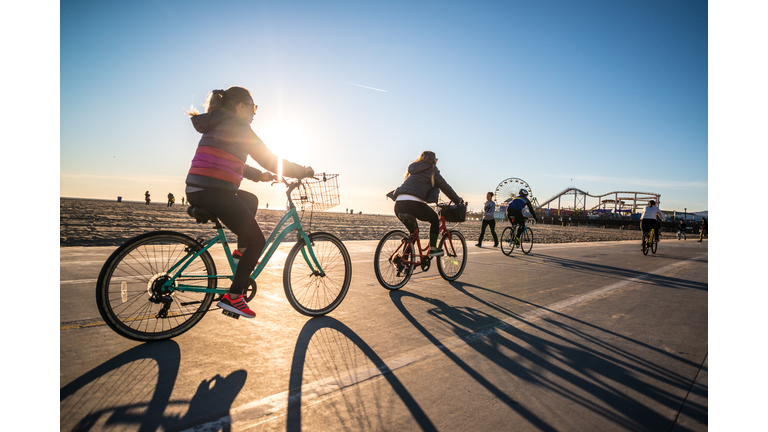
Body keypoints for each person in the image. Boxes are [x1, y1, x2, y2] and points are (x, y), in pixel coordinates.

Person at [184, 86, 314, 318]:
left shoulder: (218, 122)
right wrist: (301, 171)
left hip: (198, 189)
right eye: (253, 107)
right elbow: (269, 158)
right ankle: (235, 297)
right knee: (257, 242)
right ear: (240, 107)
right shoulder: (238, 125)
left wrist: (261, 176)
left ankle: (240, 255)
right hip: (215, 192)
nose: (254, 113)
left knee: (250, 200)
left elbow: (228, 160)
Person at [386, 150, 463, 257]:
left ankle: (403, 262)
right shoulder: (433, 172)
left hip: (398, 204)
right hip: (414, 205)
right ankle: (433, 249)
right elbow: (446, 188)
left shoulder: (413, 171)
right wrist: (458, 200)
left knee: (413, 234)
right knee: (435, 220)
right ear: (434, 161)